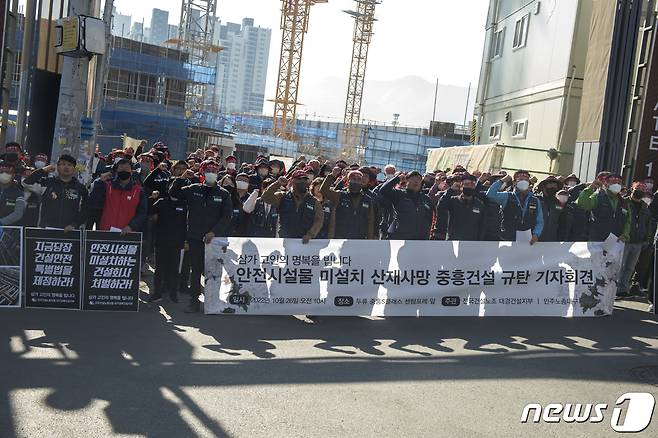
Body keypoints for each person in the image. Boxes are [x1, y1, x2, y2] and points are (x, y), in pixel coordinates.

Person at [169, 160, 233, 313]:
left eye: (214, 170)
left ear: (218, 174)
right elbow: (174, 193)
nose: (211, 172)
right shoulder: (193, 189)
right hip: (195, 237)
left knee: (213, 271)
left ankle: (213, 302)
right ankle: (194, 301)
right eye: (208, 170)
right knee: (196, 270)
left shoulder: (224, 194)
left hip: (214, 240)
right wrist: (182, 178)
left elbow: (226, 216)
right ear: (203, 173)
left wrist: (214, 232)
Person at [149, 161, 190, 303]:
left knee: (174, 269)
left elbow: (187, 224)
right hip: (161, 240)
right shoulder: (161, 202)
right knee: (159, 269)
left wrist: (185, 241)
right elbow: (149, 213)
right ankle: (157, 293)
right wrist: (151, 198)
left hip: (177, 241)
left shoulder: (185, 205)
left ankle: (173, 293)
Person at [21, 154, 88, 229]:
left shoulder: (81, 188)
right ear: (58, 167)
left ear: (74, 169)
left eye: (70, 165)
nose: (66, 167)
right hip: (45, 230)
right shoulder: (46, 183)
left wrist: (74, 224)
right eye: (63, 164)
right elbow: (26, 183)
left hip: (69, 231)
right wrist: (44, 170)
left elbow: (85, 210)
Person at [261, 170, 324, 243]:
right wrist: (277, 184)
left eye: (305, 179)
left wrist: (310, 234)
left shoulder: (314, 201)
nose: (302, 182)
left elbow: (319, 220)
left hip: (305, 242)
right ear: (292, 181)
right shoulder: (283, 196)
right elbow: (265, 197)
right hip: (285, 240)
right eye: (299, 179)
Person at [88, 158, 147, 234]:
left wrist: (131, 226)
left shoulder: (139, 191)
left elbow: (142, 213)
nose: (124, 171)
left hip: (128, 233)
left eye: (126, 169)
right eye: (121, 168)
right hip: (105, 232)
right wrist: (100, 181)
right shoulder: (107, 186)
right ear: (116, 171)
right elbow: (94, 202)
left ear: (132, 172)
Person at [486, 170, 544, 244]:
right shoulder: (507, 196)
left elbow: (540, 221)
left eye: (526, 180)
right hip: (507, 239)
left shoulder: (535, 200)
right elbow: (490, 195)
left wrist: (536, 234)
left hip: (527, 240)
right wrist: (502, 181)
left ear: (529, 183)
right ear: (514, 182)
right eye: (520, 179)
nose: (524, 182)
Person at [616, 182, 653, 298]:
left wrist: (646, 238)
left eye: (642, 189)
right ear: (632, 188)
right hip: (624, 239)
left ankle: (623, 290)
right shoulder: (623, 202)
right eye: (637, 188)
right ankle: (614, 290)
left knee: (630, 267)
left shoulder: (645, 206)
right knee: (620, 266)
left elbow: (647, 224)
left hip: (638, 242)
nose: (640, 191)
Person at [320, 167, 376, 239]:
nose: (356, 181)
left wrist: (369, 239)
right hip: (339, 237)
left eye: (359, 180)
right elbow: (323, 190)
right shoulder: (339, 195)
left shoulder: (367, 200)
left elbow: (370, 221)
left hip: (359, 238)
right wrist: (332, 175)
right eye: (353, 179)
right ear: (348, 181)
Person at [379, 170, 434, 240]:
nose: (416, 181)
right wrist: (397, 178)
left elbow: (430, 219)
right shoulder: (399, 194)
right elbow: (383, 190)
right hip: (399, 238)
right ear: (406, 181)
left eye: (418, 179)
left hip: (420, 240)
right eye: (413, 179)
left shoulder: (426, 199)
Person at [576, 173, 630, 242]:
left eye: (619, 183)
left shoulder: (623, 201)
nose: (617, 185)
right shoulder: (597, 196)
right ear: (606, 184)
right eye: (613, 182)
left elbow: (628, 220)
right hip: (597, 239)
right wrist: (590, 188)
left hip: (616, 240)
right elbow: (584, 204)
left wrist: (625, 234)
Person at [434, 173, 486, 241]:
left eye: (472, 184)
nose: (470, 187)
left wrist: (479, 242)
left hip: (472, 244)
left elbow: (482, 227)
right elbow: (440, 207)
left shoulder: (480, 205)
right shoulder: (453, 201)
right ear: (461, 185)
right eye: (467, 184)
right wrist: (451, 190)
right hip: (453, 242)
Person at [536, 176, 564, 242]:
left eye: (555, 186)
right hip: (535, 240)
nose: (553, 187)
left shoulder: (559, 204)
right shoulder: (536, 200)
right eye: (550, 185)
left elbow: (562, 222)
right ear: (544, 187)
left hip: (552, 242)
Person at [0, 161, 25, 225]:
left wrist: (1, 222)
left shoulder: (19, 193)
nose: (4, 174)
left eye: (7, 172)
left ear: (13, 175)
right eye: (1, 172)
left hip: (9, 231)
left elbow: (18, 213)